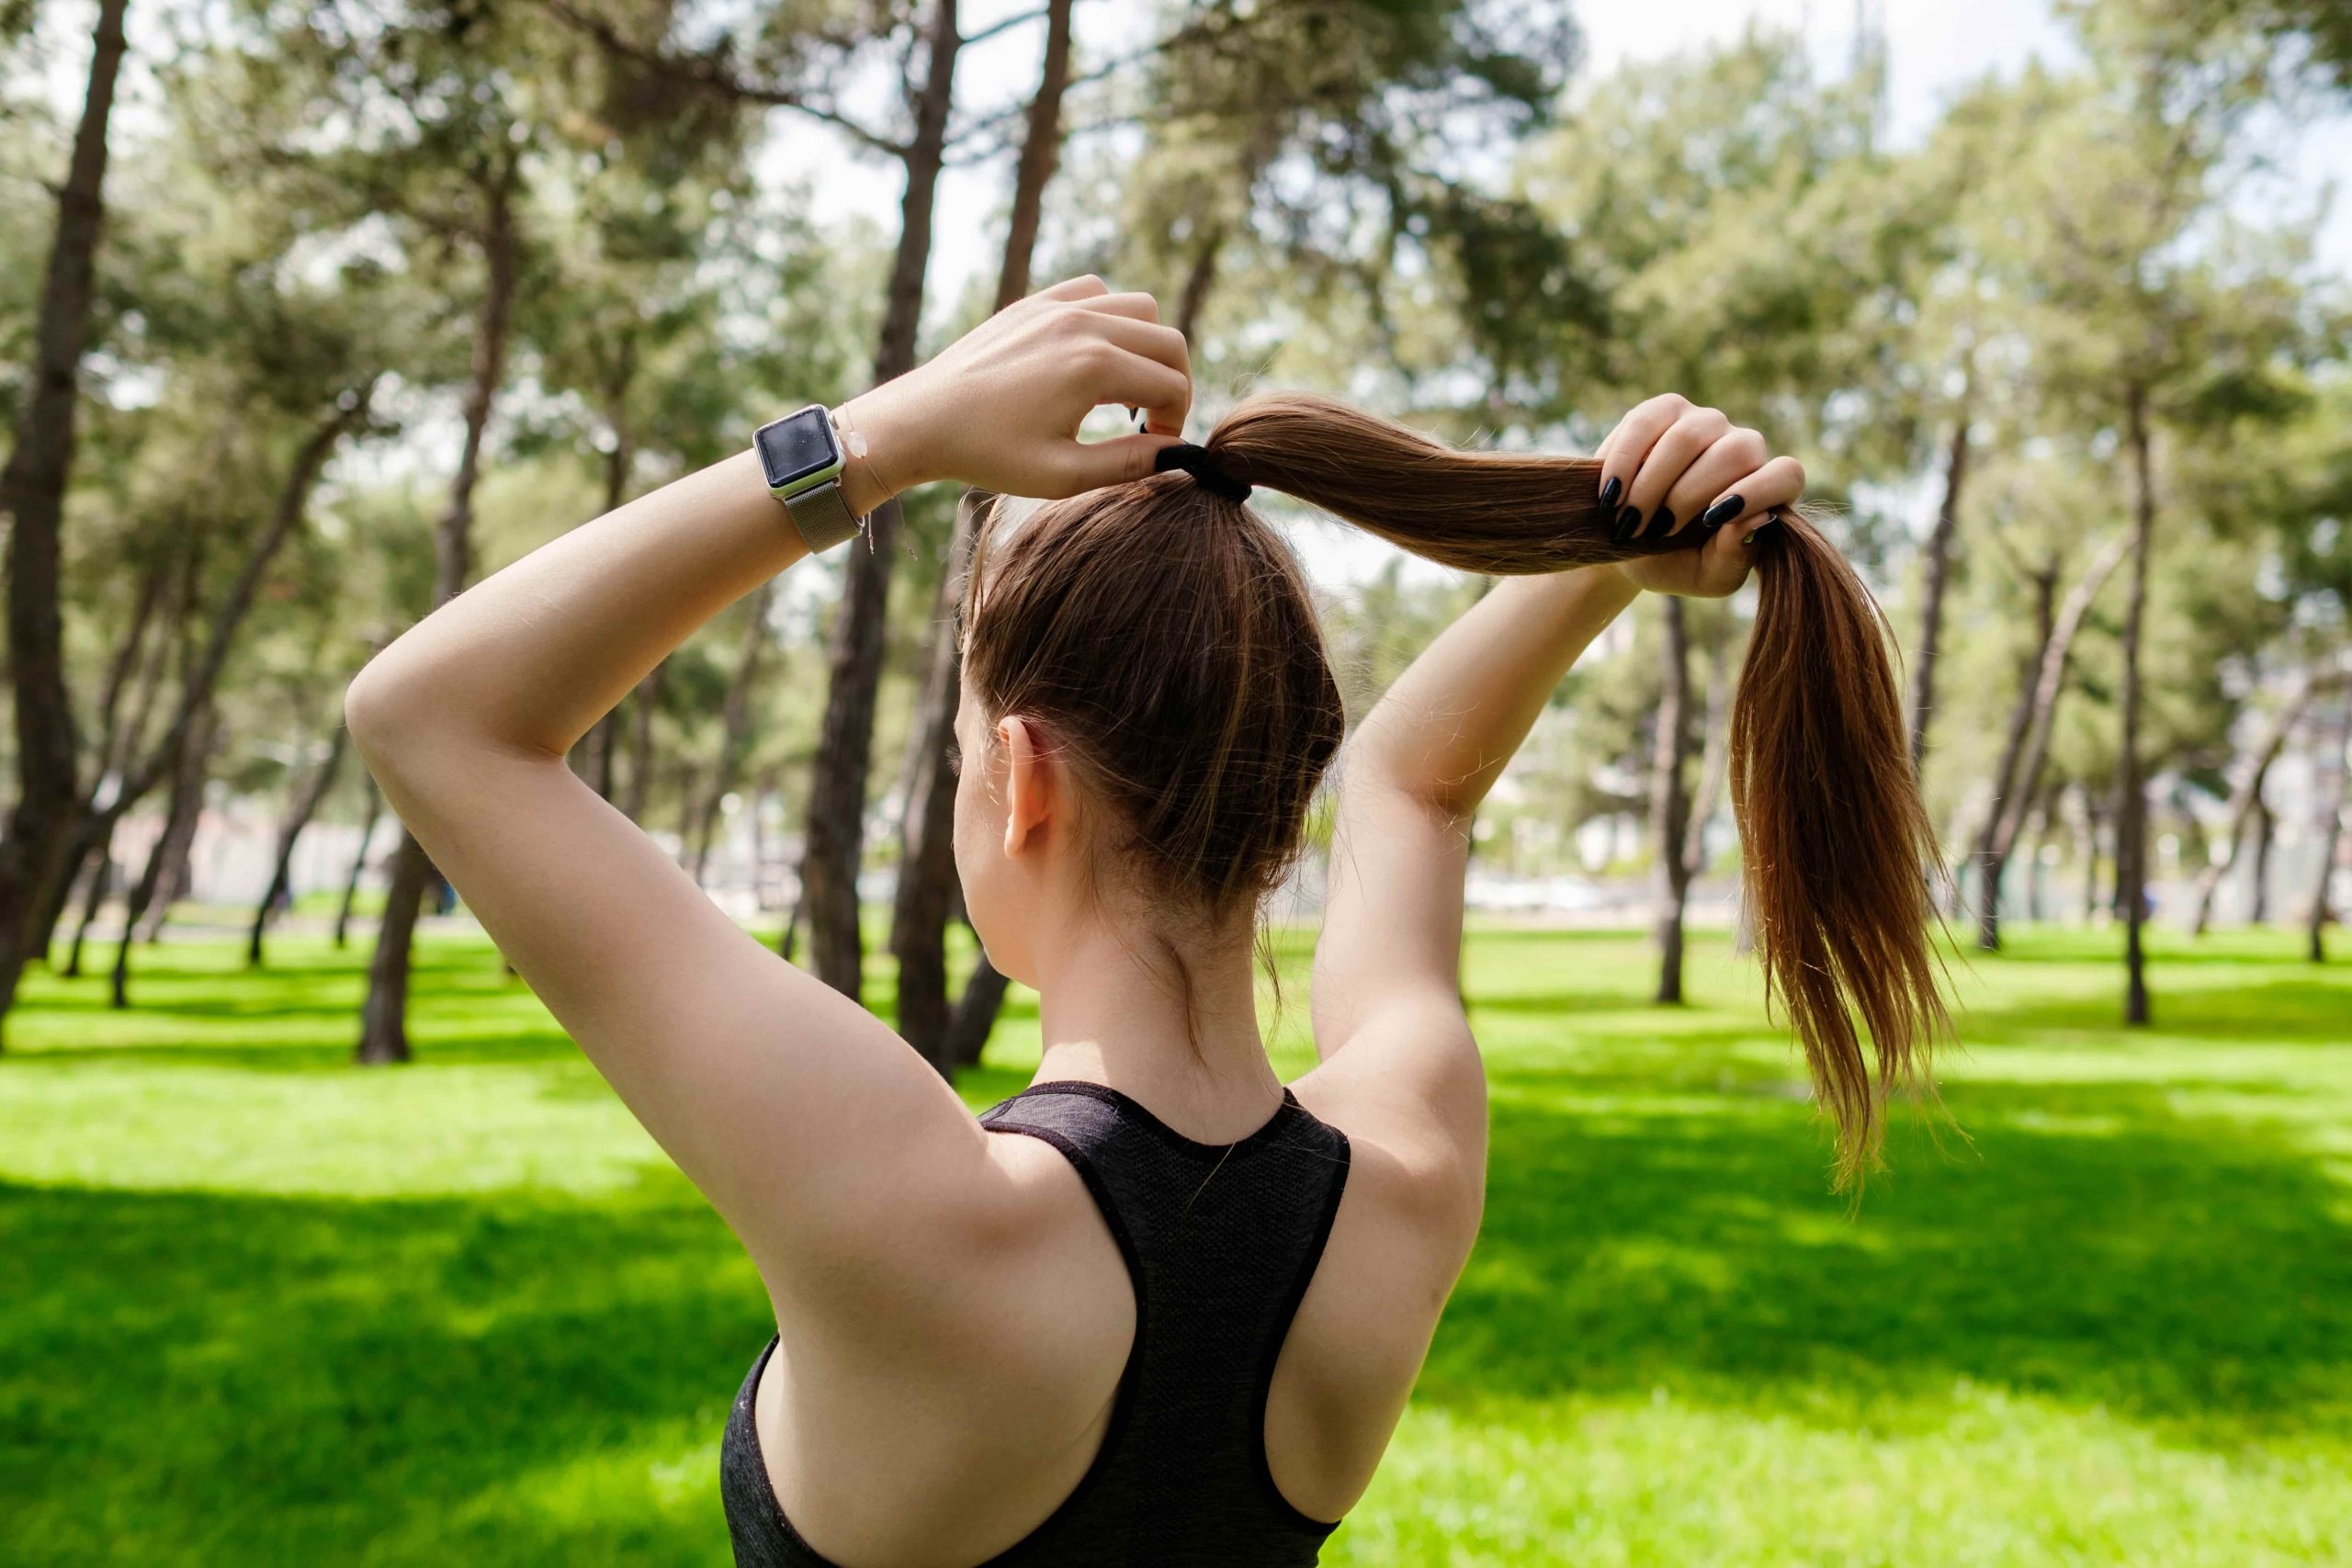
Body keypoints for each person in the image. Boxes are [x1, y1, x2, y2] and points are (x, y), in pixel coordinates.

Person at [346, 276, 1940, 1566]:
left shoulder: (919, 1217)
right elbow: (1418, 794)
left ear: (1020, 779)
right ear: (1279, 797)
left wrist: (886, 437)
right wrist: (1609, 552)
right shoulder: (1403, 1173)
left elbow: (437, 716)